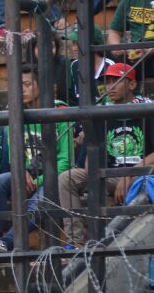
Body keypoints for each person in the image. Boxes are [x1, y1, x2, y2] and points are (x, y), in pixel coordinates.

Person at [60, 62, 154, 244]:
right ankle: (75, 242)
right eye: (107, 82)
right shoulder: (100, 113)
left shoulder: (148, 110)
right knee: (67, 178)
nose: (109, 87)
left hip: (143, 174)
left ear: (132, 85)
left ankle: (111, 239)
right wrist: (96, 173)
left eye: (116, 81)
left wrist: (130, 174)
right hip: (109, 175)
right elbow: (90, 157)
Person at [0, 66, 74, 253]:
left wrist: (40, 180)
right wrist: (20, 171)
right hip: (24, 174)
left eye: (26, 84)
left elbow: (66, 160)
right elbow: (13, 153)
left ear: (41, 86)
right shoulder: (15, 113)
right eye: (18, 86)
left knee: (41, 197)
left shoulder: (60, 111)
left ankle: (7, 242)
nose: (21, 90)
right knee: (0, 181)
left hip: (54, 176)